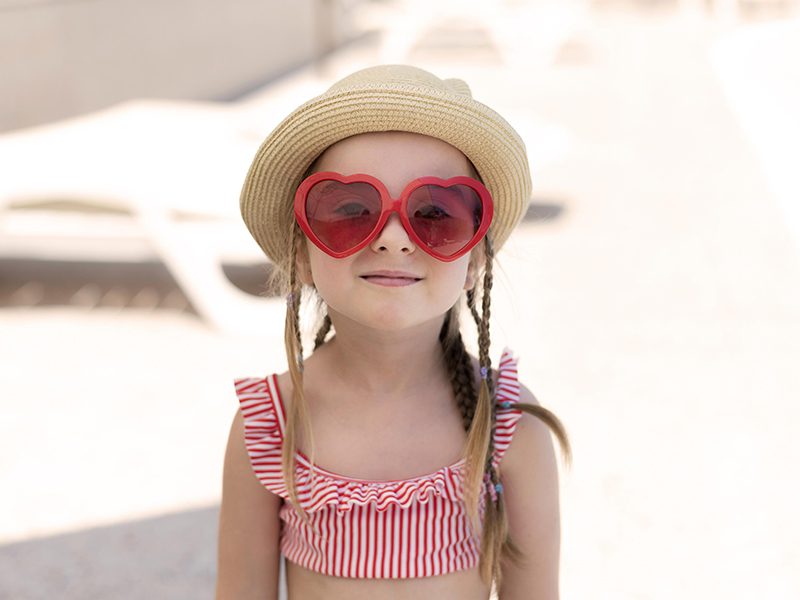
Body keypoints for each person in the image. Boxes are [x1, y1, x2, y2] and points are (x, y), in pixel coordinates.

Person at [215, 64, 571, 600]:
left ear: (474, 260)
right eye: (351, 209)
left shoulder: (507, 427)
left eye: (434, 212)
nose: (394, 239)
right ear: (302, 254)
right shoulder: (270, 428)